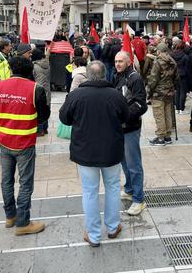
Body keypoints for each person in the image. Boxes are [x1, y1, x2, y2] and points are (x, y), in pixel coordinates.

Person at [0, 56, 50, 235]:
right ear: (30, 72)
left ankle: (10, 216)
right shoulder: (36, 89)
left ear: (10, 69)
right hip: (25, 142)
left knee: (6, 180)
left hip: (4, 140)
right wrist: (31, 123)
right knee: (25, 183)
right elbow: (44, 115)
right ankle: (23, 223)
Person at [59, 61, 130, 246]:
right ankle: (113, 227)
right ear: (105, 74)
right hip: (111, 150)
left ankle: (94, 234)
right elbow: (126, 116)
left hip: (86, 151)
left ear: (88, 75)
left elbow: (64, 117)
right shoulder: (115, 95)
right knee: (113, 188)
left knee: (90, 192)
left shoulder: (76, 95)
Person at [113, 52, 148, 215]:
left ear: (128, 62)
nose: (117, 64)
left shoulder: (135, 78)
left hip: (131, 127)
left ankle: (139, 200)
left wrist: (124, 115)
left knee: (134, 164)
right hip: (120, 127)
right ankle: (128, 188)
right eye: (116, 61)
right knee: (124, 162)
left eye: (120, 61)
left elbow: (141, 104)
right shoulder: (118, 76)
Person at [146, 43, 178, 146]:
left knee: (159, 115)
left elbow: (153, 79)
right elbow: (176, 78)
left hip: (158, 92)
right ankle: (167, 136)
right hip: (169, 91)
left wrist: (149, 91)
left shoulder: (158, 62)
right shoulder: (172, 61)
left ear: (159, 51)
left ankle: (160, 138)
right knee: (167, 114)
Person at [32, 48, 51, 136]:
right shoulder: (47, 64)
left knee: (39, 109)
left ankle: (40, 130)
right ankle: (45, 128)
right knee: (46, 108)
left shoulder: (34, 66)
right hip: (47, 89)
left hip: (38, 90)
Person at [171, 41, 189, 114]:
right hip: (183, 75)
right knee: (182, 92)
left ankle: (177, 108)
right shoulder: (185, 56)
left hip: (175, 75)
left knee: (177, 91)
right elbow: (187, 67)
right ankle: (181, 109)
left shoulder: (172, 55)